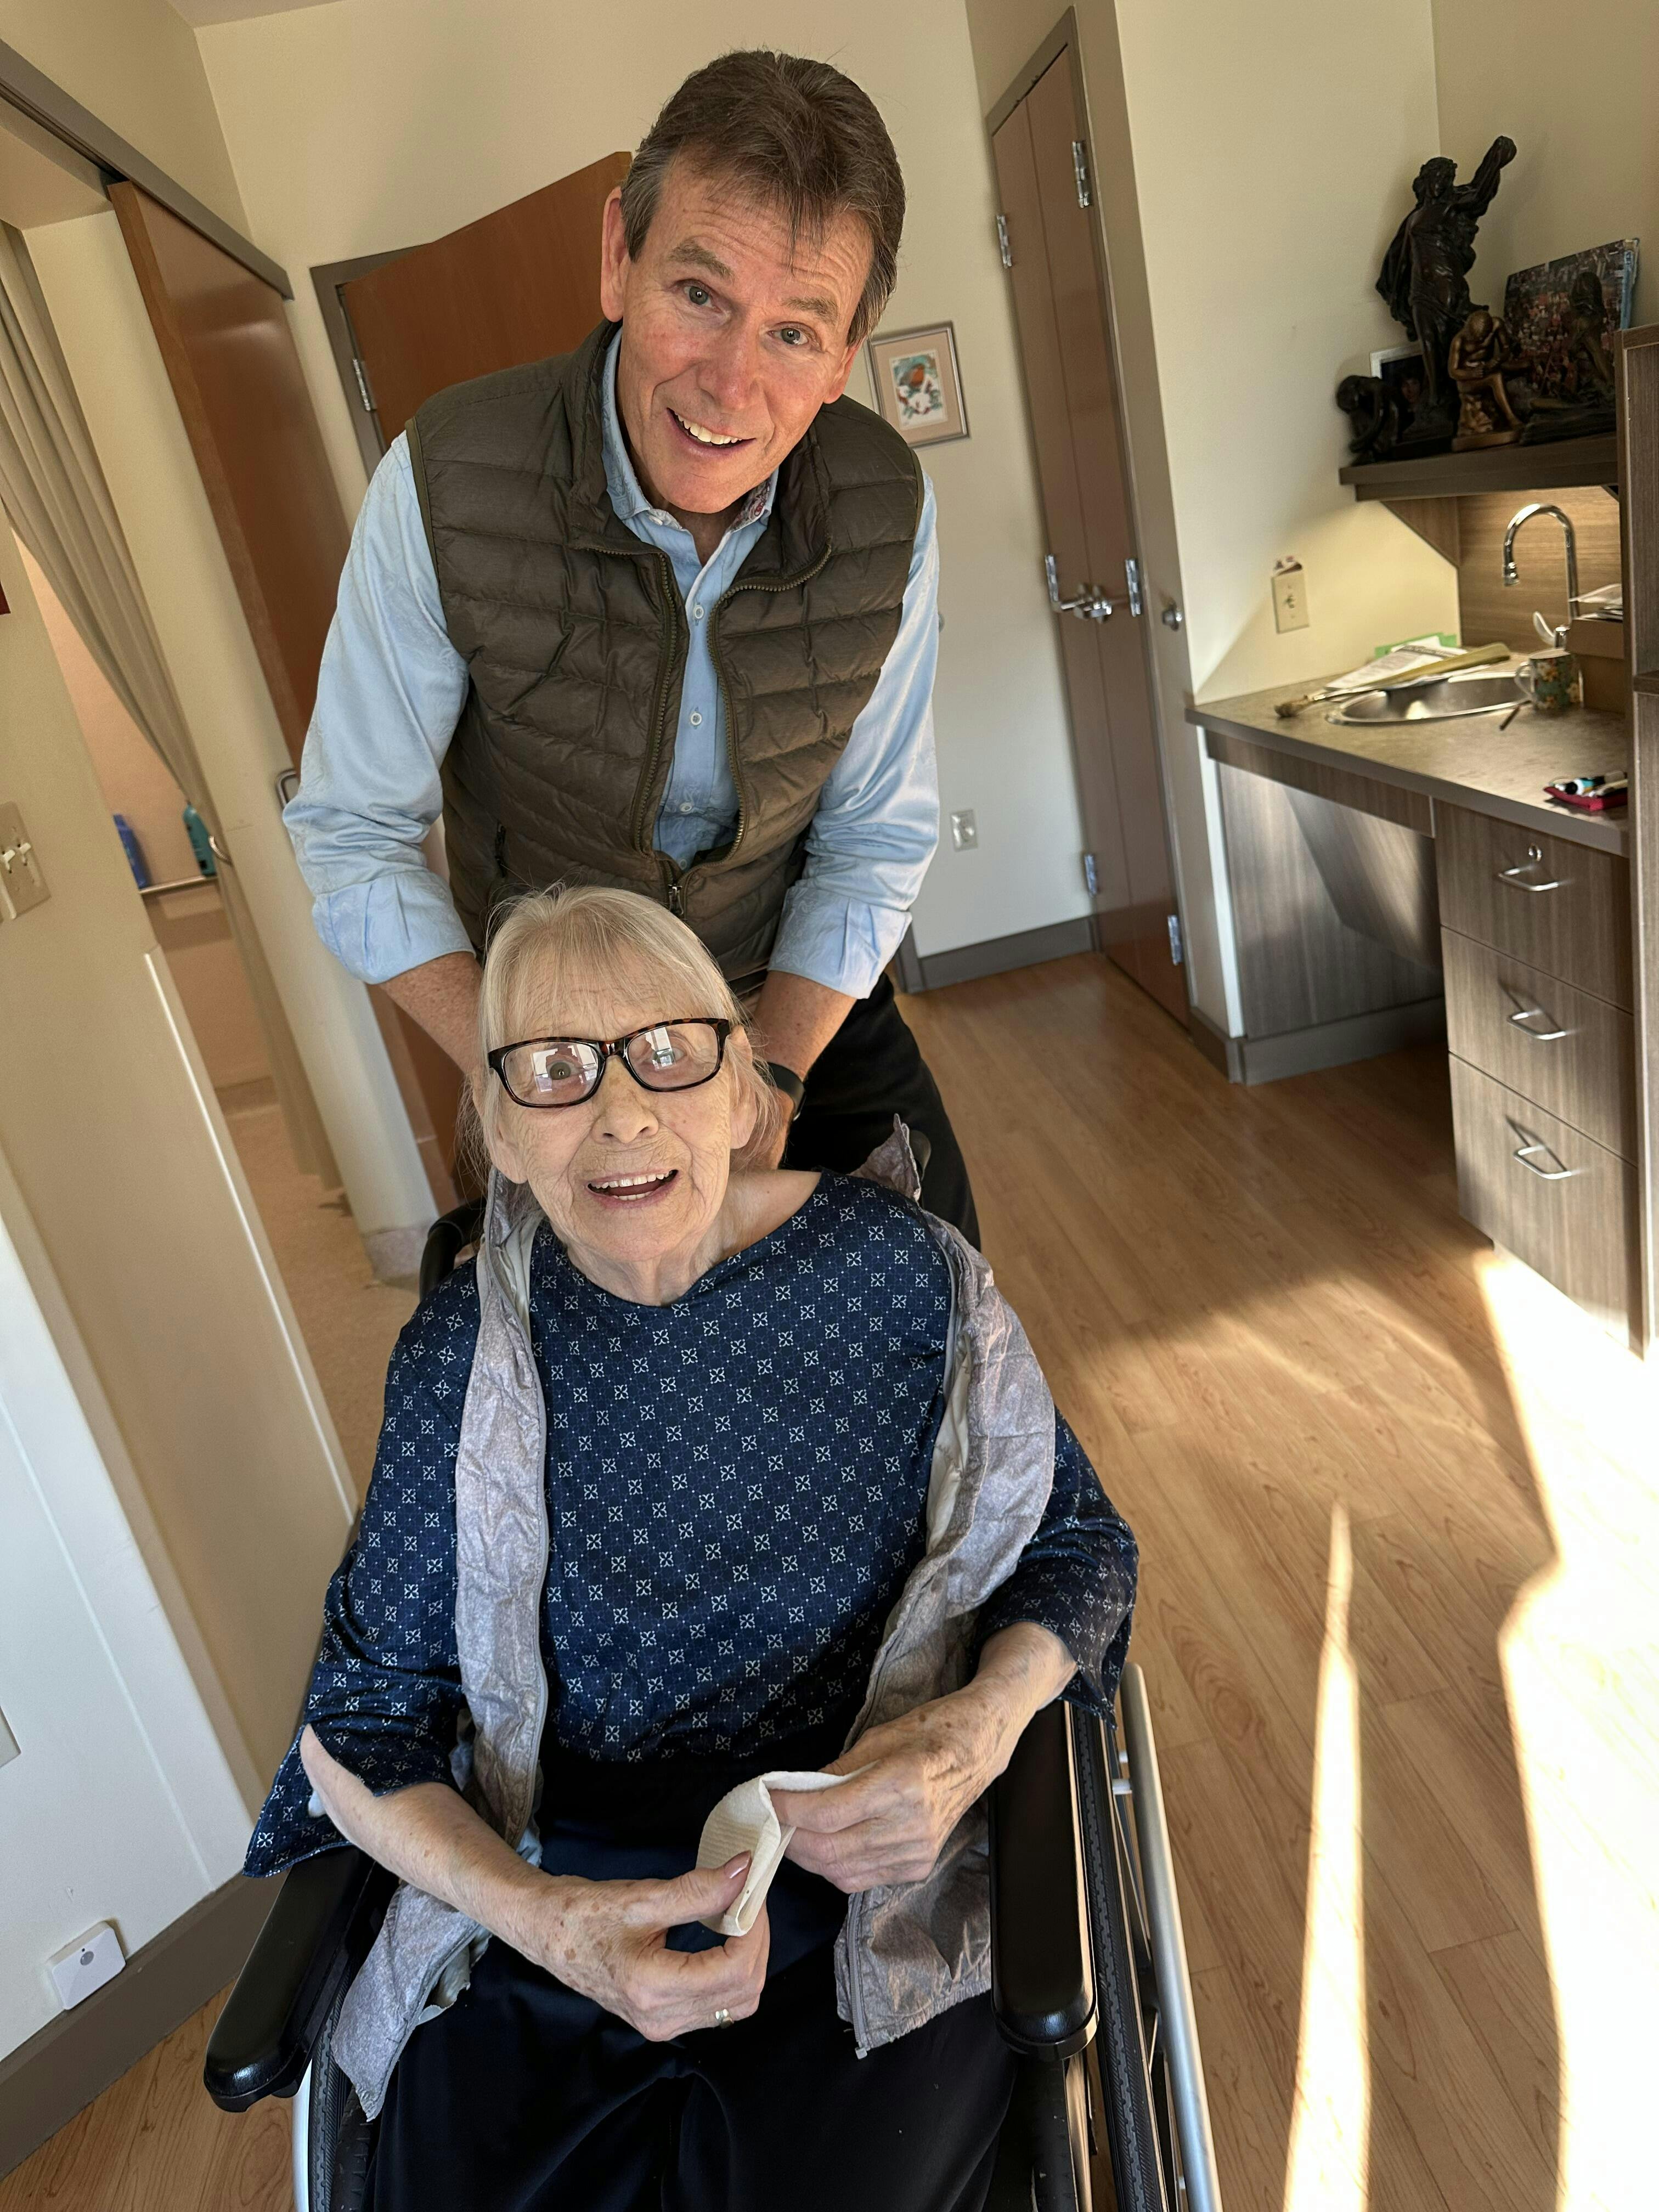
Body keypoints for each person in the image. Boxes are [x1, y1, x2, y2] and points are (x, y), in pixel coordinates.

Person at [244, 885, 1137, 2212]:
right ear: (501, 1130)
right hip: (554, 1890)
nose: (621, 1114)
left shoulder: (907, 1279)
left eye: (669, 1052)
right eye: (554, 1069)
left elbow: (1077, 1545)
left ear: (743, 1090)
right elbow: (361, 1723)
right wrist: (543, 1921)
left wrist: (973, 1737)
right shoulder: (457, 1358)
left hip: (861, 1877)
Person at [284, 50, 979, 1238]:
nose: (731, 384)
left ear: (846, 354)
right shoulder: (443, 480)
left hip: (789, 1004)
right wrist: (513, 1074)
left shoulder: (889, 510)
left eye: (795, 332)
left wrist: (771, 1069)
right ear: (619, 256)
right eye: (699, 295)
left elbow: (873, 837)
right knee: (589, 1348)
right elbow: (352, 836)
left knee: (935, 1293)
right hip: (553, 1048)